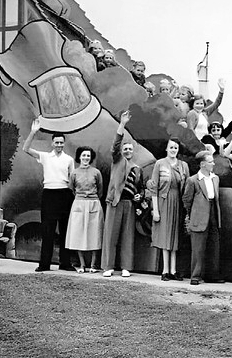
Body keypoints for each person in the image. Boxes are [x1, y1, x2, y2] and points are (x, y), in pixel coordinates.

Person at [23, 120, 76, 272]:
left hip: (64, 194)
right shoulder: (45, 157)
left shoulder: (69, 160)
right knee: (48, 230)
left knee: (65, 230)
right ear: (52, 143)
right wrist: (33, 132)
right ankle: (44, 264)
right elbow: (25, 149)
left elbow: (72, 178)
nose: (59, 145)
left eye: (61, 143)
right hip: (49, 195)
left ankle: (65, 263)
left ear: (64, 144)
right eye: (56, 142)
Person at [102, 111, 144, 278]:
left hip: (129, 204)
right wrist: (122, 125)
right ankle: (107, 266)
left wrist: (139, 195)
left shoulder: (137, 168)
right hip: (115, 202)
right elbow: (115, 145)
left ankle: (126, 267)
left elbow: (140, 188)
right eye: (125, 148)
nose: (127, 151)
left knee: (128, 237)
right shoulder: (117, 160)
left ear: (133, 151)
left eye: (129, 149)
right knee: (110, 235)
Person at [150, 138, 189, 281]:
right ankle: (165, 270)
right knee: (166, 235)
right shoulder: (159, 164)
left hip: (178, 203)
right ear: (166, 149)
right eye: (171, 147)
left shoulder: (183, 166)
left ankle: (174, 270)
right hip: (164, 201)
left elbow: (187, 187)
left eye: (176, 148)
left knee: (175, 236)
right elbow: (154, 187)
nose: (173, 150)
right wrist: (156, 210)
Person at [183, 151, 224, 286]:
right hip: (199, 215)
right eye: (210, 161)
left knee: (214, 245)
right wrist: (193, 213)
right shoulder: (193, 180)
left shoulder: (215, 178)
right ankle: (195, 275)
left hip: (213, 212)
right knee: (198, 247)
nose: (213, 163)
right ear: (202, 164)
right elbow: (187, 200)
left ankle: (212, 274)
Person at [64, 147, 104, 273]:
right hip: (79, 204)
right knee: (78, 234)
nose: (86, 158)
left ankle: (93, 265)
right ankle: (81, 265)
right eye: (83, 155)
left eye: (88, 156)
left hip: (94, 204)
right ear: (79, 157)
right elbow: (71, 189)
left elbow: (101, 189)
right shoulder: (74, 173)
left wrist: (93, 198)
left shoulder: (96, 172)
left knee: (94, 233)